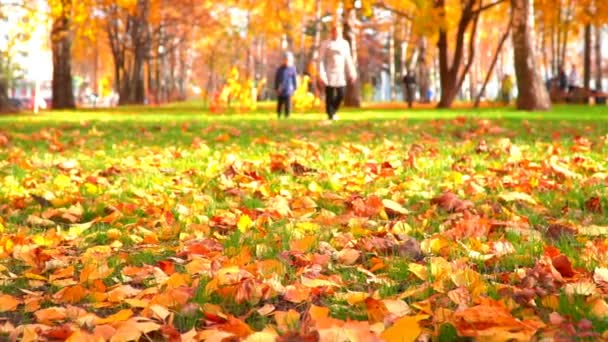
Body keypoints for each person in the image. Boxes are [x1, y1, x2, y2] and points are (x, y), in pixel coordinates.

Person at [318, 23, 357, 121]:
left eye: (338, 32)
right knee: (329, 96)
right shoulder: (326, 44)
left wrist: (352, 73)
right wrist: (321, 74)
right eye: (334, 32)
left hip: (340, 74)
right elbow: (320, 60)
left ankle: (333, 111)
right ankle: (330, 115)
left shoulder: (344, 44)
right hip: (329, 73)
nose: (336, 34)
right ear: (332, 32)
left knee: (341, 94)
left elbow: (348, 59)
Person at [274, 51, 298, 119]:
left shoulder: (292, 69)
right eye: (285, 60)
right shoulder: (280, 69)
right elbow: (277, 79)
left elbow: (294, 79)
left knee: (288, 103)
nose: (286, 62)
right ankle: (279, 114)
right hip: (281, 89)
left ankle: (287, 115)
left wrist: (295, 87)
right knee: (280, 103)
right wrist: (276, 88)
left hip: (289, 89)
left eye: (288, 60)